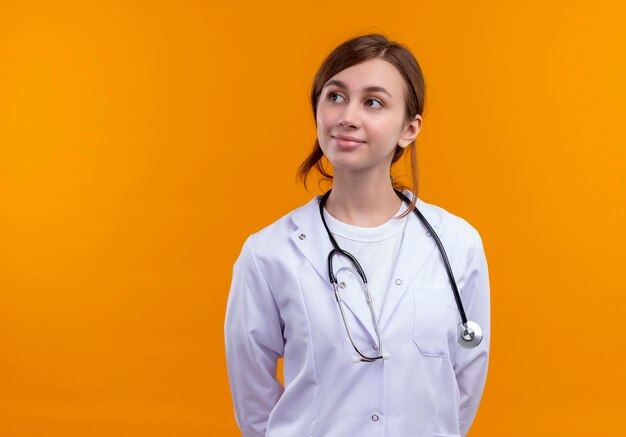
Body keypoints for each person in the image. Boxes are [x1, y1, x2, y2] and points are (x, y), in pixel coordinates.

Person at [224, 33, 490, 437]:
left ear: (409, 128)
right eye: (335, 96)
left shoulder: (458, 244)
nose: (347, 116)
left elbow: (465, 382)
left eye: (373, 102)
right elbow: (253, 400)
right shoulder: (268, 254)